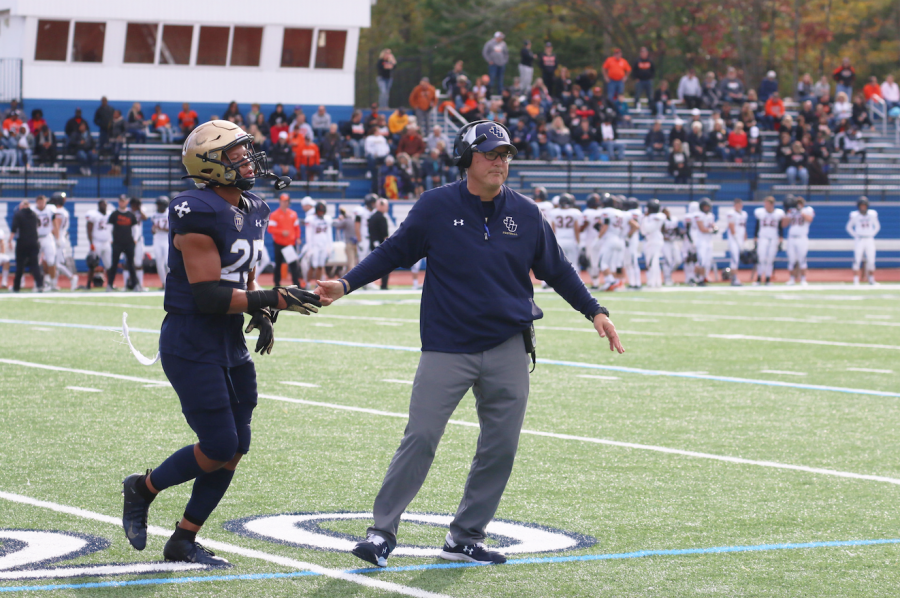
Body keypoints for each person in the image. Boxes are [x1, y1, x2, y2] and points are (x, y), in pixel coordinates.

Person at [314, 120, 622, 568]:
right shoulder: (436, 205)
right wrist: (345, 283)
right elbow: (394, 252)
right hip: (447, 344)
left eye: (505, 154)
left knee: (501, 446)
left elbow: (557, 269)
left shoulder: (527, 213)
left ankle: (466, 536)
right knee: (420, 436)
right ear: (466, 158)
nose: (500, 161)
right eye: (490, 153)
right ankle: (381, 532)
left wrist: (596, 310)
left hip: (508, 345)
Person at [120, 119, 321, 567]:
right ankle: (142, 487)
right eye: (235, 153)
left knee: (237, 445)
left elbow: (243, 275)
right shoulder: (195, 209)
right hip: (192, 338)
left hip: (228, 339)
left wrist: (261, 309)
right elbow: (208, 294)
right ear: (209, 164)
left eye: (246, 150)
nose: (247, 159)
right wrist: (275, 298)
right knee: (217, 445)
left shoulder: (254, 206)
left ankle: (183, 538)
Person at [268, 193, 302, 288]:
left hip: (290, 244)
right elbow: (270, 229)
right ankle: (277, 284)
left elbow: (296, 227)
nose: (285, 203)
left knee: (293, 265)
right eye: (283, 201)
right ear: (280, 201)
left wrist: (298, 237)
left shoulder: (293, 214)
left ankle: (296, 284)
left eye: (287, 201)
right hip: (279, 243)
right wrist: (281, 232)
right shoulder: (275, 215)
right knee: (278, 265)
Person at [10, 199, 44, 292]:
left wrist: (9, 241)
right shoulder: (34, 214)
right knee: (35, 265)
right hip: (34, 242)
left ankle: (16, 286)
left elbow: (14, 229)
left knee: (20, 265)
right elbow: (39, 224)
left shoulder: (18, 214)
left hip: (22, 242)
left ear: (21, 206)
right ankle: (40, 285)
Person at [107, 195, 139, 291]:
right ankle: (110, 285)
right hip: (117, 243)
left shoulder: (130, 214)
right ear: (118, 202)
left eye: (123, 201)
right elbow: (109, 228)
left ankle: (135, 285)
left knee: (131, 264)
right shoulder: (114, 214)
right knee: (114, 264)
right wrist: (110, 240)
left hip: (129, 243)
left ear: (126, 202)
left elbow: (135, 228)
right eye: (120, 201)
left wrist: (135, 239)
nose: (122, 203)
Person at [846, 196, 880, 285]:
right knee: (857, 259)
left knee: (871, 260)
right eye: (861, 205)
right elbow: (849, 227)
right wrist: (856, 235)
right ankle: (856, 280)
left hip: (869, 239)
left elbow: (877, 226)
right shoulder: (854, 215)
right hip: (859, 239)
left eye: (864, 205)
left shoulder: (872, 214)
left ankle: (871, 280)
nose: (863, 207)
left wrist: (871, 234)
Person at [782, 196, 814, 286]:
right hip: (791, 238)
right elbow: (784, 224)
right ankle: (792, 279)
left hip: (802, 238)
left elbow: (809, 219)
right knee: (791, 260)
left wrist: (800, 211)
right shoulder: (791, 211)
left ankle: (803, 279)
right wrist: (786, 213)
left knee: (802, 259)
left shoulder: (807, 210)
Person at [753, 196, 784, 285]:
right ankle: (758, 278)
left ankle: (767, 279)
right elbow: (757, 226)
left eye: (767, 203)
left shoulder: (778, 213)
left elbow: (780, 227)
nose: (765, 205)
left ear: (772, 204)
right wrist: (755, 239)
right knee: (761, 258)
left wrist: (781, 240)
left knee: (770, 260)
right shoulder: (760, 212)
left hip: (773, 239)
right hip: (762, 238)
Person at [50, 192, 78, 291]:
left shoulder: (58, 212)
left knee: (56, 264)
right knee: (55, 262)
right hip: (62, 237)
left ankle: (72, 277)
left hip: (58, 238)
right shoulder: (63, 211)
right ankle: (53, 284)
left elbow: (56, 227)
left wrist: (55, 238)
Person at [85, 199, 112, 289]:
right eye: (102, 205)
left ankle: (110, 284)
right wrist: (91, 242)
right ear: (99, 205)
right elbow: (89, 229)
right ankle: (88, 284)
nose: (104, 206)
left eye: (105, 205)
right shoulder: (94, 215)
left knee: (109, 264)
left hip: (106, 242)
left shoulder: (109, 214)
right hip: (96, 242)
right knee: (92, 263)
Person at [549, 193, 582, 266]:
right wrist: (578, 242)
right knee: (574, 264)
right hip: (571, 241)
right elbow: (576, 229)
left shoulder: (554, 212)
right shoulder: (575, 212)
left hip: (559, 241)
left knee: (559, 265)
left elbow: (553, 229)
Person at [305, 201, 333, 283]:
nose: (320, 213)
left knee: (320, 266)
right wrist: (310, 248)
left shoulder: (327, 219)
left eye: (322, 211)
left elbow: (329, 234)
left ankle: (318, 284)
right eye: (319, 211)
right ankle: (307, 283)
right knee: (313, 266)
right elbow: (308, 235)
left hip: (324, 245)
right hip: (315, 246)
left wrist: (329, 247)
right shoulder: (311, 219)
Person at [640, 199, 666, 288]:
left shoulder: (657, 217)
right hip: (652, 241)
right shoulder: (656, 216)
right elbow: (644, 231)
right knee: (653, 262)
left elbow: (648, 229)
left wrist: (645, 218)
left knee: (652, 262)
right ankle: (656, 282)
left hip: (654, 241)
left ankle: (653, 282)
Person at [724, 198, 747, 286]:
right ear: (734, 205)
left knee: (736, 260)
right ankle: (734, 279)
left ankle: (734, 278)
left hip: (740, 240)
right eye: (738, 205)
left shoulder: (744, 214)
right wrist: (737, 239)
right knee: (735, 259)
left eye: (740, 205)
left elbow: (743, 227)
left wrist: (744, 238)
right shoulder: (731, 213)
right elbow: (731, 227)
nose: (739, 206)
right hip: (733, 240)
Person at [151, 196, 171, 289]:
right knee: (159, 262)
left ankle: (170, 282)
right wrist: (154, 229)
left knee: (168, 262)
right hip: (157, 240)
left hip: (167, 240)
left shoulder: (169, 213)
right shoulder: (154, 215)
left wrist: (161, 228)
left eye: (159, 204)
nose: (158, 206)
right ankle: (163, 283)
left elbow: (170, 229)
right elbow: (153, 230)